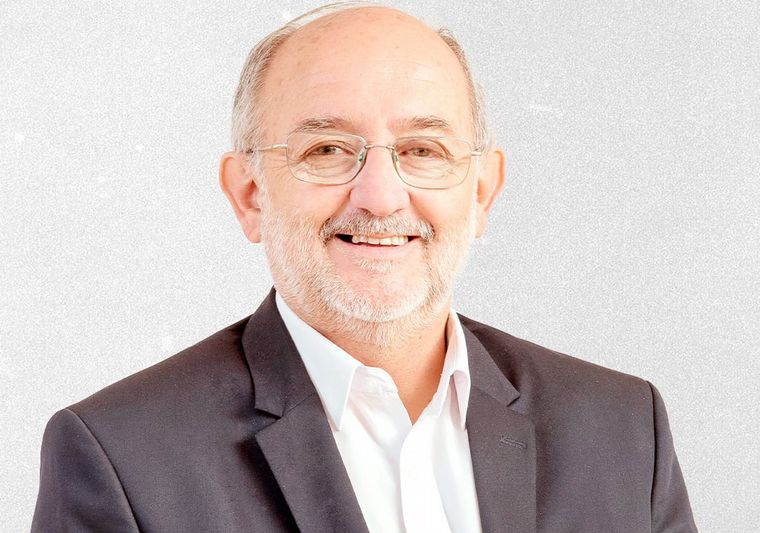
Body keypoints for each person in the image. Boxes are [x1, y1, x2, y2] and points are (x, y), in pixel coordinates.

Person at [32, 3, 697, 532]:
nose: (380, 196)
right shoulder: (122, 459)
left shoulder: (623, 430)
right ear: (250, 194)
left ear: (482, 192)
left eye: (423, 150)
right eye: (326, 149)